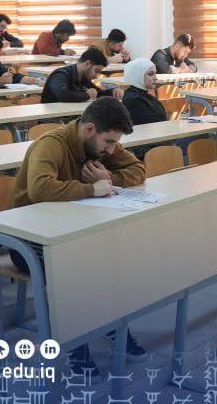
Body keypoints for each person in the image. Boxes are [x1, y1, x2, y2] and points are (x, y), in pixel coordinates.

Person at [9, 97, 147, 370]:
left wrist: (108, 179)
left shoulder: (101, 144)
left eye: (115, 143)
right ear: (90, 129)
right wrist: (91, 189)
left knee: (112, 257)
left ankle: (111, 324)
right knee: (74, 266)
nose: (112, 149)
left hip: (72, 230)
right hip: (28, 239)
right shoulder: (52, 144)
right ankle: (75, 341)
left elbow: (138, 170)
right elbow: (39, 188)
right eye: (109, 142)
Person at [42, 48, 120, 103]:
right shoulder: (61, 74)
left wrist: (112, 92)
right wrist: (87, 95)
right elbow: (63, 94)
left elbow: (97, 93)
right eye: (96, 71)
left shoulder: (83, 77)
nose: (96, 75)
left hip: (69, 114)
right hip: (52, 118)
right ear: (87, 64)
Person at [121, 58, 167, 125]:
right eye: (150, 74)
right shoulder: (135, 101)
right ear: (138, 76)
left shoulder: (141, 94)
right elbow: (152, 124)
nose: (155, 78)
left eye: (155, 74)